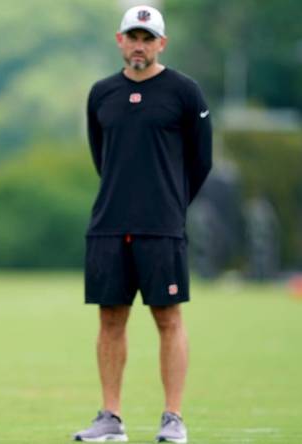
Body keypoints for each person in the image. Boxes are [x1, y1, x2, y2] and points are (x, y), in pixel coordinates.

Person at [74, 5, 212, 444]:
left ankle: (173, 418)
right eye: (132, 37)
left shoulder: (185, 92)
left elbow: (201, 161)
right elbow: (102, 156)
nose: (139, 45)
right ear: (120, 41)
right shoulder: (101, 93)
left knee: (168, 318)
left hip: (163, 227)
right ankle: (110, 419)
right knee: (110, 319)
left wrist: (170, 204)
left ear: (161, 44)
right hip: (109, 225)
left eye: (148, 38)